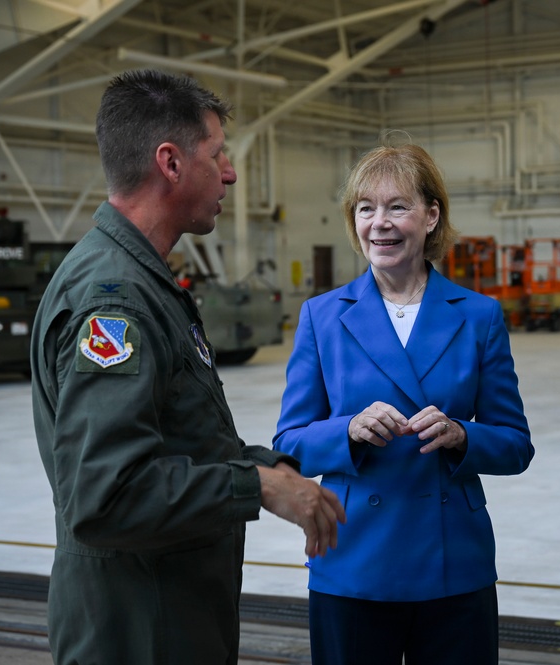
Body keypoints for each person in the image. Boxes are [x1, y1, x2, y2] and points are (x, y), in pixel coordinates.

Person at [30, 69, 345, 665]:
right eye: (218, 154)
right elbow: (105, 495)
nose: (228, 172)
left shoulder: (142, 281)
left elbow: (179, 442)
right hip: (139, 634)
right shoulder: (114, 301)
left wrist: (271, 466)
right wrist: (254, 486)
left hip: (166, 621)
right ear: (170, 163)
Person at [273, 142, 534, 665]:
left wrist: (463, 435)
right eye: (365, 208)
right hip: (353, 560)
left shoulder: (479, 316)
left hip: (453, 561)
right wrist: (346, 430)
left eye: (397, 206)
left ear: (431, 215)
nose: (379, 223)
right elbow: (289, 444)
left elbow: (514, 445)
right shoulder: (322, 317)